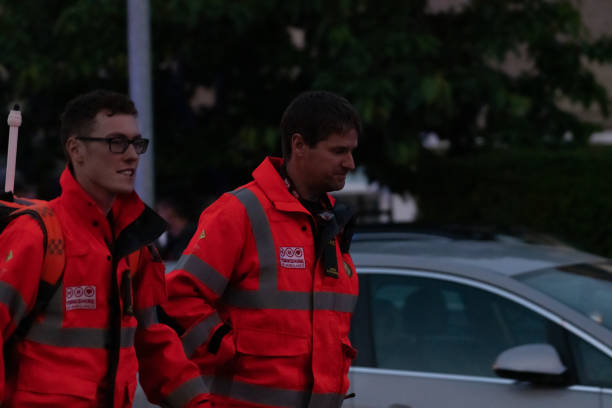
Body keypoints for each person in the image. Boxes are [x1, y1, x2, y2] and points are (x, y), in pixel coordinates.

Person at [0, 90, 209, 407]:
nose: (132, 155)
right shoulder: (37, 235)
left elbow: (156, 342)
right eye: (115, 142)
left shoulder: (135, 243)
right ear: (76, 150)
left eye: (136, 143)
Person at [163, 90, 362, 408]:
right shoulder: (241, 212)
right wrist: (227, 350)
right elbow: (179, 299)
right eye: (338, 151)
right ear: (298, 145)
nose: (350, 163)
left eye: (351, 151)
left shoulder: (331, 224)